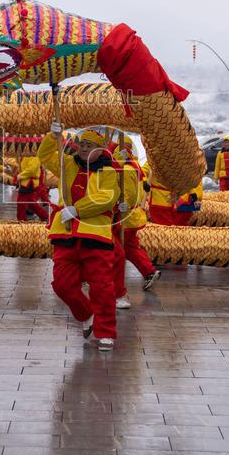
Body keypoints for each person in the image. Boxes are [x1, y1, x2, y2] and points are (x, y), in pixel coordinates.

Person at [38, 126, 119, 351]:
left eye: (89, 145)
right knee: (62, 284)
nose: (83, 148)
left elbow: (106, 199)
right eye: (82, 145)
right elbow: (44, 156)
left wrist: (78, 209)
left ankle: (106, 332)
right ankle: (86, 313)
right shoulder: (68, 165)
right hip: (65, 233)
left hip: (95, 234)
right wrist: (52, 136)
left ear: (100, 150)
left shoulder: (109, 172)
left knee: (101, 287)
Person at [114, 142, 160, 294]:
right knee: (131, 247)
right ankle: (149, 271)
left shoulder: (126, 170)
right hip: (133, 216)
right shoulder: (134, 165)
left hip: (126, 217)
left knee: (121, 248)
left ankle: (148, 271)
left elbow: (128, 194)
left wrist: (121, 205)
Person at [15, 154, 48, 221]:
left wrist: (20, 175)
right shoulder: (25, 155)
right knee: (31, 203)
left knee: (21, 203)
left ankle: (22, 221)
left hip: (29, 183)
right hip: (26, 182)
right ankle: (45, 216)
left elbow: (32, 170)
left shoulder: (35, 156)